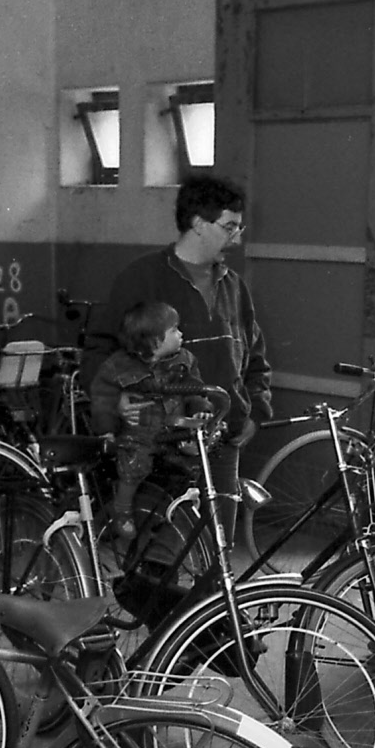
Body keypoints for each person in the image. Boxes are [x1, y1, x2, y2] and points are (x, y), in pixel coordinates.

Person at [100, 175, 271, 553]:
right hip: (162, 444)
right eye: (229, 227)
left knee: (218, 552)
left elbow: (254, 355)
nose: (237, 238)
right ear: (197, 223)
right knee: (162, 555)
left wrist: (254, 409)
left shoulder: (234, 286)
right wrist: (117, 401)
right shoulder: (141, 279)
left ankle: (211, 613)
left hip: (223, 442)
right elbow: (100, 349)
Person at [89, 300, 207, 543]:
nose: (181, 334)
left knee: (191, 462)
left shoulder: (185, 359)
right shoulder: (117, 366)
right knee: (135, 465)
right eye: (174, 330)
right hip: (138, 433)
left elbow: (195, 390)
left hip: (175, 428)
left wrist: (200, 409)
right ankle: (122, 507)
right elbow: (102, 397)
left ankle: (176, 509)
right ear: (154, 341)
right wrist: (107, 429)